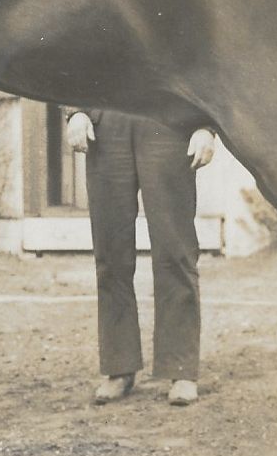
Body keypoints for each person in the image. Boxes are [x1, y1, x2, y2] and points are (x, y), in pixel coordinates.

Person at [66, 108, 216, 407]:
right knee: (110, 254)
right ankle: (118, 366)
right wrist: (76, 111)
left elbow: (198, 62)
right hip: (106, 124)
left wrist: (206, 126)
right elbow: (77, 60)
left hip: (167, 121)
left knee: (175, 249)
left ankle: (180, 367)